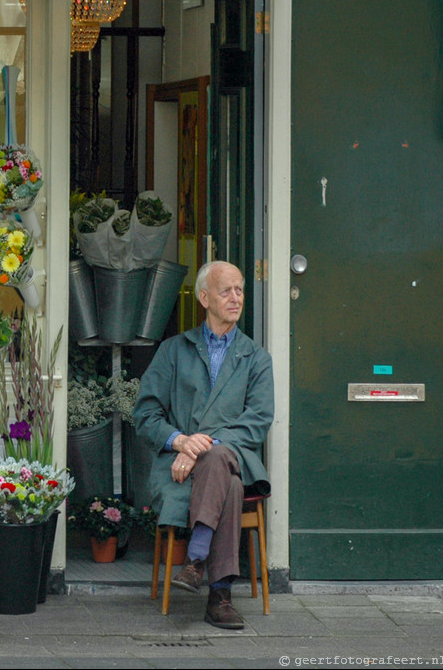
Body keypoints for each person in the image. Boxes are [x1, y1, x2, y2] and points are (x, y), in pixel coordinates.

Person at [133, 260, 273, 630]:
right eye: (226, 290)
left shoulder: (256, 358)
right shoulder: (173, 350)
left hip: (233, 455)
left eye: (240, 289)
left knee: (218, 458)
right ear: (203, 297)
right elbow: (145, 415)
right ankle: (220, 597)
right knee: (226, 485)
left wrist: (200, 447)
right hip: (180, 468)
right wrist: (180, 441)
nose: (236, 297)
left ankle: (196, 559)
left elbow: (258, 421)